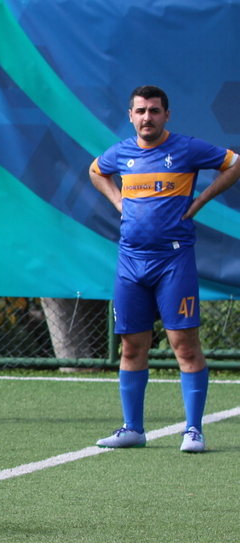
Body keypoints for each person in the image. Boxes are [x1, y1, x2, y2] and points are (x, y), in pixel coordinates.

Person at [89, 85, 240, 453]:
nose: (147, 117)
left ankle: (193, 431)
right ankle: (133, 429)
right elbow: (96, 170)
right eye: (141, 111)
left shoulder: (186, 149)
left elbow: (234, 163)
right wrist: (118, 201)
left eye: (154, 111)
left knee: (184, 346)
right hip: (130, 262)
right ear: (130, 116)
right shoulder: (122, 153)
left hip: (173, 261)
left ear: (166, 115)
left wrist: (201, 200)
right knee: (130, 348)